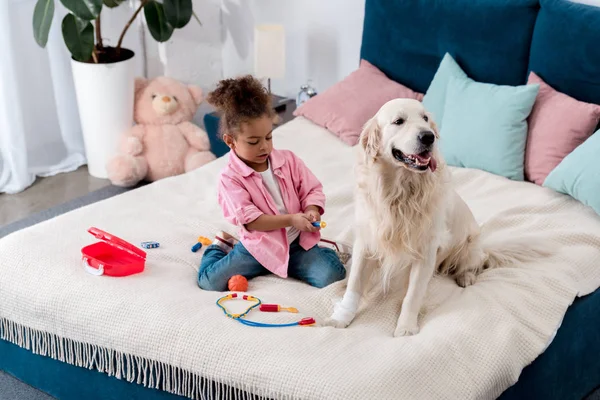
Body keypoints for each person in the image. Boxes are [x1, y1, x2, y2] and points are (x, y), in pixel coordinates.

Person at [197, 75, 346, 291]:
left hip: (296, 245)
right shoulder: (230, 178)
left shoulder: (289, 160)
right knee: (208, 282)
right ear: (230, 141)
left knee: (332, 276)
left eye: (268, 137)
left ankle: (322, 250)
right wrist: (292, 219)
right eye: (253, 142)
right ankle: (220, 246)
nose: (264, 147)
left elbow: (312, 189)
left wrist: (312, 210)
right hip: (256, 248)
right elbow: (252, 220)